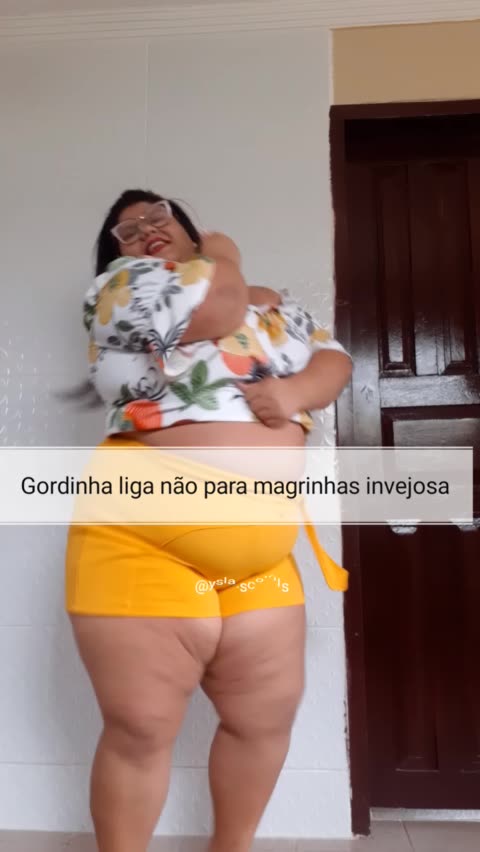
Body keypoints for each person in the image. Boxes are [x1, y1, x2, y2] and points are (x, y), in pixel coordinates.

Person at [65, 189, 352, 852]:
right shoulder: (121, 291)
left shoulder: (275, 307)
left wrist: (293, 391)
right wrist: (224, 255)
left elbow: (334, 359)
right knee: (141, 727)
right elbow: (218, 303)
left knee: (264, 718)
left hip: (262, 550)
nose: (144, 230)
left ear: (184, 226)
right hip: (141, 539)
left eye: (158, 216)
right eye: (126, 230)